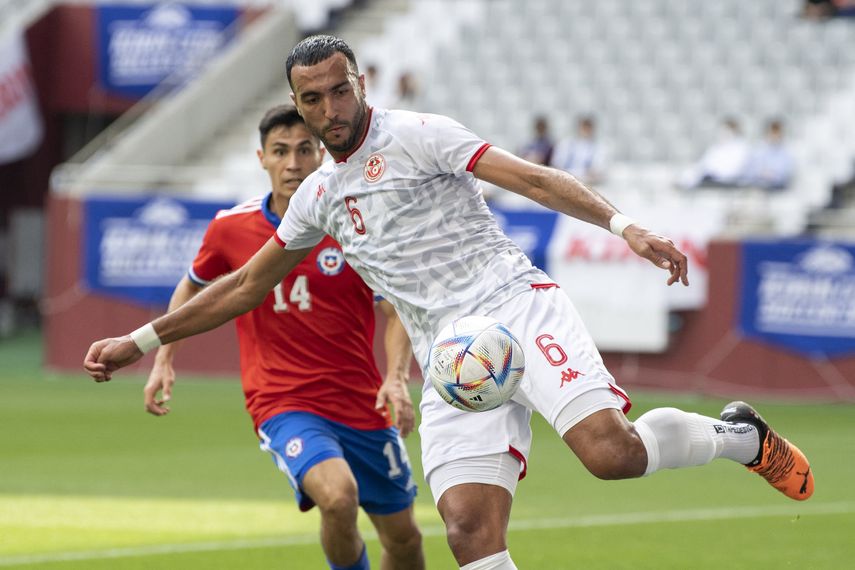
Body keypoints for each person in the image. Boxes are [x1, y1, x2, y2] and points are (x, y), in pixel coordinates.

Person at [85, 35, 814, 570]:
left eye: (339, 91)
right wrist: (141, 342)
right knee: (467, 531)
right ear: (299, 106)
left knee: (610, 455)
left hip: (514, 307)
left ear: (360, 83)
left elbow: (532, 179)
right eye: (313, 99)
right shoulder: (318, 196)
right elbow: (246, 285)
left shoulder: (418, 135)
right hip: (450, 362)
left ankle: (739, 438)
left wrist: (625, 227)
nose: (330, 109)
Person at [141, 105, 424, 570]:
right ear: (262, 158)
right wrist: (163, 358)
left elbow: (394, 310)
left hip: (362, 404)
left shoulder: (354, 223)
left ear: (321, 154)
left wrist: (396, 377)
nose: (293, 163)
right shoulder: (231, 228)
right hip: (283, 402)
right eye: (280, 151)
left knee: (405, 541)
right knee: (338, 497)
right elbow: (193, 285)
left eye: (304, 149)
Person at [677, 117, 751, 189]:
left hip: (726, 180)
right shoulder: (717, 147)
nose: (723, 134)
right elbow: (704, 164)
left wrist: (715, 173)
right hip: (709, 177)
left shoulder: (741, 148)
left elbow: (735, 170)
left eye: (726, 131)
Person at [550, 115, 608, 186]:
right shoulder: (566, 144)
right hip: (565, 182)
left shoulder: (599, 147)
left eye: (588, 128)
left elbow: (596, 171)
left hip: (588, 184)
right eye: (584, 127)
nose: (586, 130)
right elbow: (556, 164)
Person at [740, 118, 794, 190]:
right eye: (772, 133)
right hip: (758, 184)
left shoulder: (786, 152)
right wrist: (761, 173)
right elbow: (749, 170)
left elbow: (785, 174)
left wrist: (772, 175)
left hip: (776, 187)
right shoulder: (759, 149)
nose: (774, 136)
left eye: (777, 133)